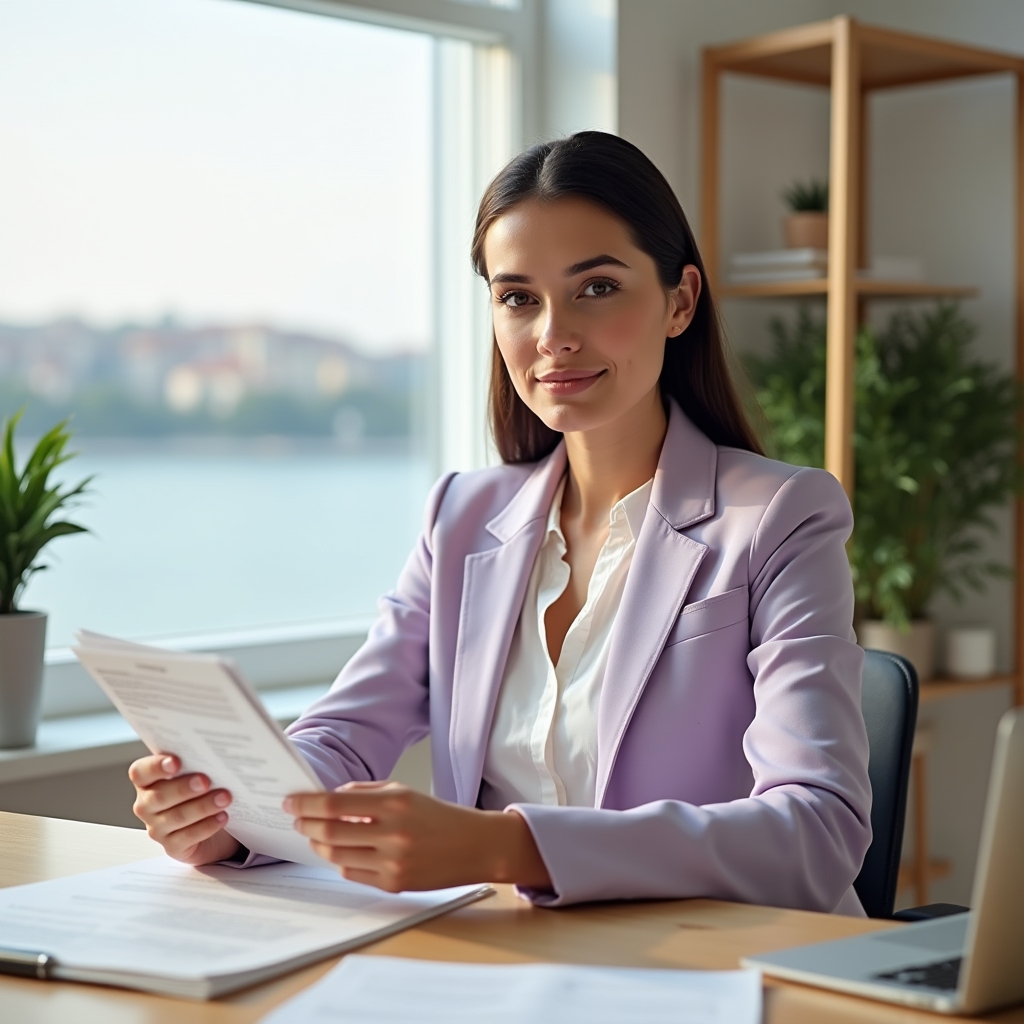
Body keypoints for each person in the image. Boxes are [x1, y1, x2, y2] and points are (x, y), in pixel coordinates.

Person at [129, 131, 872, 915]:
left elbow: (817, 829)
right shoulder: (461, 518)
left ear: (680, 300)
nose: (553, 334)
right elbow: (344, 736)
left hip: (716, 967)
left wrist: (505, 847)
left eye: (597, 288)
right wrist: (231, 815)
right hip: (511, 963)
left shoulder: (782, 518)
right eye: (519, 297)